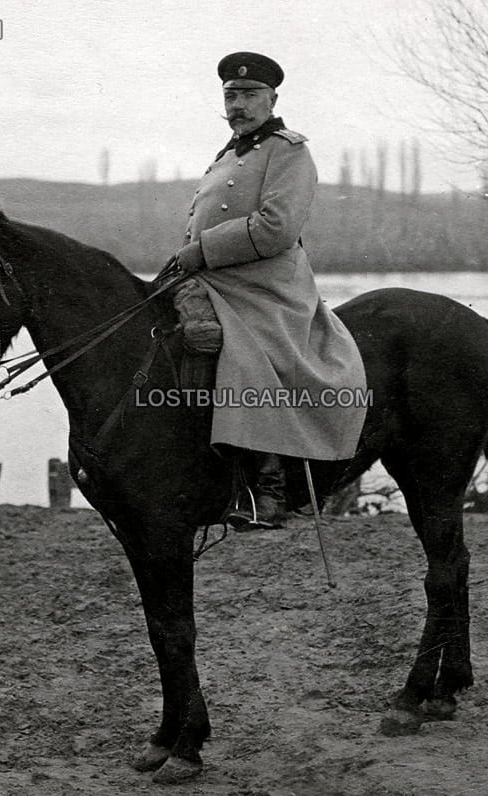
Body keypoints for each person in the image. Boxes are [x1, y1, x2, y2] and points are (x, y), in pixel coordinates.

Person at [171, 51, 367, 530]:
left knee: (243, 350)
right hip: (217, 275)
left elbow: (276, 227)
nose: (239, 104)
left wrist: (202, 252)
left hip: (267, 284)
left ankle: (267, 488)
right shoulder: (227, 155)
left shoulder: (289, 151)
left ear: (272, 98)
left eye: (250, 95)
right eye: (231, 96)